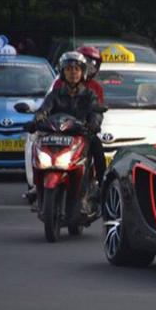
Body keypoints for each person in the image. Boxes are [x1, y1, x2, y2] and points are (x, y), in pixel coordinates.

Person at [33, 52, 106, 204]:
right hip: (56, 136)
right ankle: (36, 187)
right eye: (68, 69)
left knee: (98, 148)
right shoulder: (55, 94)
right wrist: (37, 120)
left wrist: (93, 125)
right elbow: (43, 110)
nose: (73, 73)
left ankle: (102, 187)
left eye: (76, 69)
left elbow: (96, 112)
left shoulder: (89, 94)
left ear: (83, 72)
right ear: (62, 72)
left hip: (81, 134)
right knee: (36, 149)